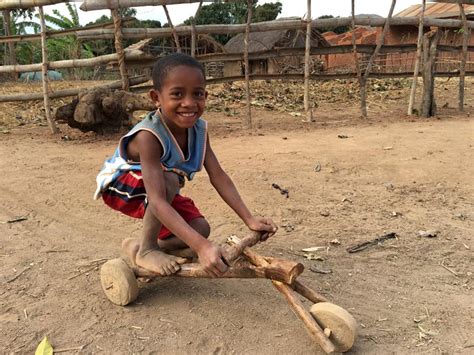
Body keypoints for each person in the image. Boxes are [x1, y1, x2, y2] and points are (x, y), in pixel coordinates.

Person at [94, 53, 277, 278]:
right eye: (177, 94)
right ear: (156, 98)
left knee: (200, 229)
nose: (189, 103)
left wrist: (249, 219)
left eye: (197, 94)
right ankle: (148, 249)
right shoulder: (148, 136)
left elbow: (218, 175)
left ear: (206, 96)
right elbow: (159, 201)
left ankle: (140, 247)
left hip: (155, 188)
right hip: (121, 187)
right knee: (170, 181)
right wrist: (202, 247)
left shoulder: (199, 130)